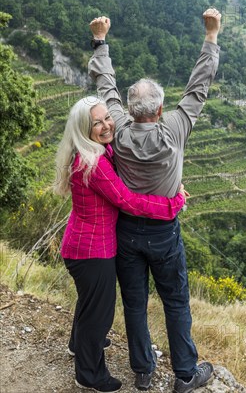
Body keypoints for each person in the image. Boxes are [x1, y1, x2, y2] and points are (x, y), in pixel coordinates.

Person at [88, 8, 221, 393]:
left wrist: (100, 42)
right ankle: (184, 374)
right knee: (176, 303)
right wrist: (210, 38)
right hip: (164, 232)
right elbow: (198, 88)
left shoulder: (121, 131)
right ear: (161, 110)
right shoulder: (175, 130)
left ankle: (142, 371)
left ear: (130, 110)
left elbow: (106, 87)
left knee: (134, 303)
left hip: (126, 231)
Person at [54, 96, 186, 393]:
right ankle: (88, 374)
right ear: (83, 129)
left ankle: (79, 345)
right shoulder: (95, 162)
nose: (105, 125)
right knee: (99, 314)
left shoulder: (98, 150)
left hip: (82, 245)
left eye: (106, 118)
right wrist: (171, 203)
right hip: (91, 251)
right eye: (96, 123)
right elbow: (127, 200)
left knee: (90, 304)